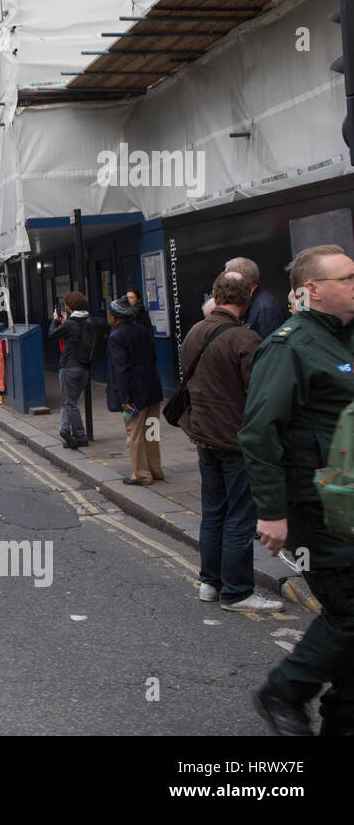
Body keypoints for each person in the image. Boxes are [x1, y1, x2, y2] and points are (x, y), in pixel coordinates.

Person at [241, 244, 354, 735]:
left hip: (348, 500)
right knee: (350, 610)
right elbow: (258, 431)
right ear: (314, 289)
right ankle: (283, 691)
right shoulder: (289, 346)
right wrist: (271, 511)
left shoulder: (343, 339)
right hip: (317, 506)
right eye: (347, 278)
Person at [180, 272, 280, 612]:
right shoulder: (244, 340)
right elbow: (260, 394)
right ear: (247, 299)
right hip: (236, 441)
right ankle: (237, 592)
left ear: (215, 295)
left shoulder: (195, 331)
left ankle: (210, 583)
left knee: (213, 512)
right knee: (239, 516)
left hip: (203, 436)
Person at [104, 297, 164, 485]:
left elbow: (121, 370)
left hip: (134, 395)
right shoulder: (143, 330)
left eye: (109, 314)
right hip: (153, 389)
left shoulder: (116, 337)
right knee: (152, 431)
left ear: (115, 318)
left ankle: (141, 474)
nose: (108, 317)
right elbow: (153, 358)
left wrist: (125, 399)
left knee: (135, 434)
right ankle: (156, 470)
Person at [48, 291, 90, 449]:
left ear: (69, 306)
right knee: (68, 401)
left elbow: (52, 335)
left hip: (69, 367)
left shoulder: (71, 324)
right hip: (84, 369)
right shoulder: (87, 320)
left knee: (70, 403)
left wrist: (55, 321)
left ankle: (80, 436)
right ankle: (65, 429)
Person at [225, 256, 287, 339]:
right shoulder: (252, 303)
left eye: (228, 281)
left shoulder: (265, 308)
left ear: (240, 280)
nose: (225, 285)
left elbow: (267, 347)